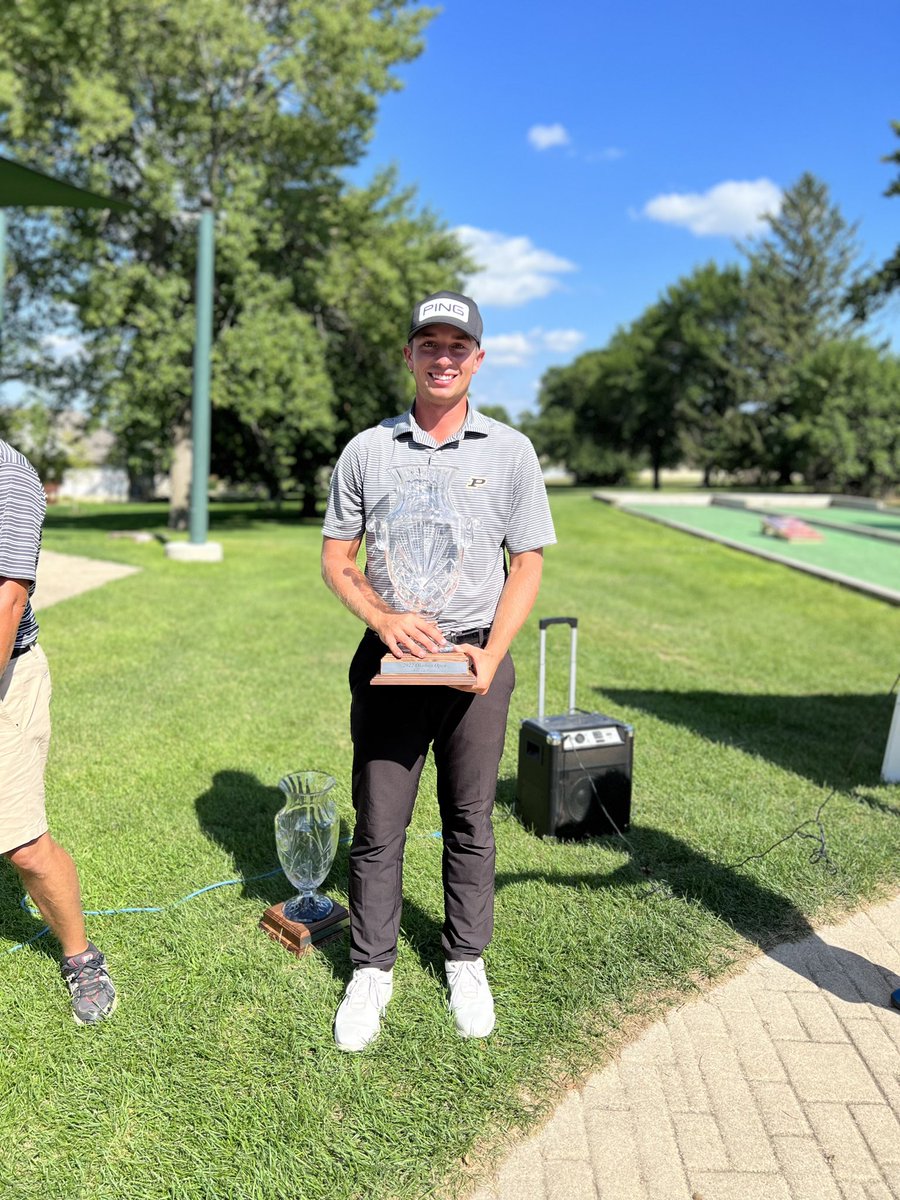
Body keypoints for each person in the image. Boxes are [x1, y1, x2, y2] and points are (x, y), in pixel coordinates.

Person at [321, 290, 556, 1051]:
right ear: (409, 355)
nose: (444, 357)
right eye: (431, 344)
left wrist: (493, 651)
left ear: (478, 359)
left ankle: (465, 958)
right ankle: (371, 969)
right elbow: (336, 558)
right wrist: (383, 618)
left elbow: (526, 564)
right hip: (391, 661)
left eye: (459, 346)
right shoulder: (367, 449)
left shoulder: (510, 451)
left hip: (475, 661)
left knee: (471, 819)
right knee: (379, 823)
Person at [0, 439, 116, 1024]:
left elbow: (8, 599)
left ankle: (79, 954)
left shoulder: (8, 475)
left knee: (22, 843)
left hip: (4, 675)